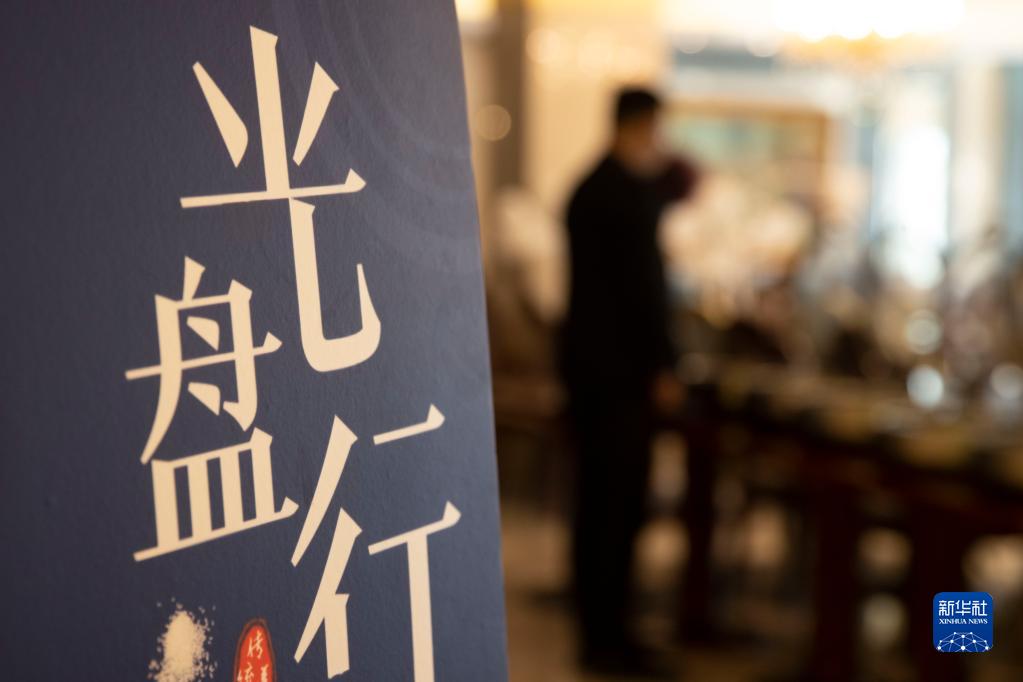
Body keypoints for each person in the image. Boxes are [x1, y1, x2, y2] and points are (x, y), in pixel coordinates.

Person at [561, 87, 699, 677]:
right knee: (613, 508)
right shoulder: (618, 194)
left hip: (593, 373)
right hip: (617, 379)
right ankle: (607, 636)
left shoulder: (592, 187)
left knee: (601, 505)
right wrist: (663, 366)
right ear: (642, 125)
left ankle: (604, 631)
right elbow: (643, 294)